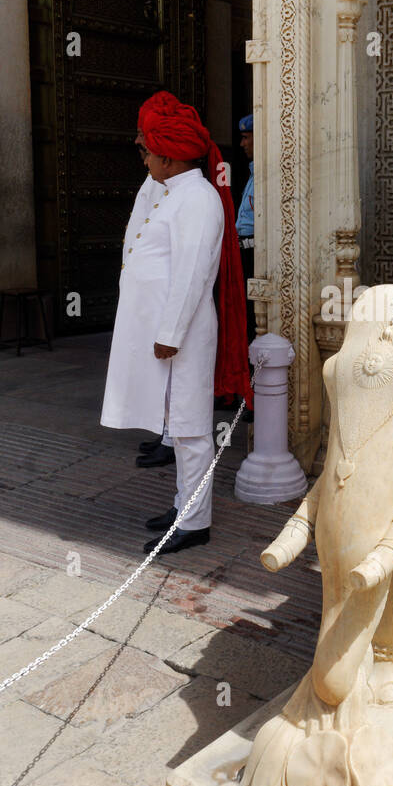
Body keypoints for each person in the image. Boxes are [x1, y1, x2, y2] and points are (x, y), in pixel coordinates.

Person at [101, 91, 251, 555]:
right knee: (177, 423)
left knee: (189, 429)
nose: (144, 157)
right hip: (170, 334)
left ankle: (195, 522)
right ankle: (185, 506)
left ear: (168, 158)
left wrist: (169, 334)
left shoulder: (198, 199)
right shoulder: (173, 191)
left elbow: (192, 272)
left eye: (148, 150)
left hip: (182, 335)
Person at [236, 113, 256, 345]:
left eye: (245, 137)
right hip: (243, 249)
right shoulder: (253, 173)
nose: (242, 144)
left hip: (254, 252)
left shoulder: (267, 175)